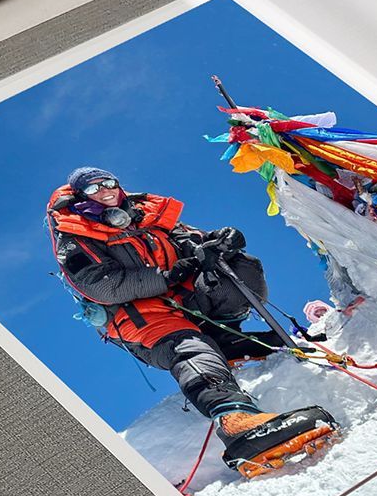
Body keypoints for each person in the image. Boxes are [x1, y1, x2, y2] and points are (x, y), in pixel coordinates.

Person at [47, 166, 340, 477]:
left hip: (183, 297)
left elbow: (191, 241)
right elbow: (101, 285)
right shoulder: (74, 235)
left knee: (238, 267)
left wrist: (217, 242)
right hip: (139, 315)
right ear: (80, 197)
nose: (104, 190)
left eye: (108, 182)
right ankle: (236, 421)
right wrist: (167, 276)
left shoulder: (144, 214)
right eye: (93, 188)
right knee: (186, 345)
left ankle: (224, 341)